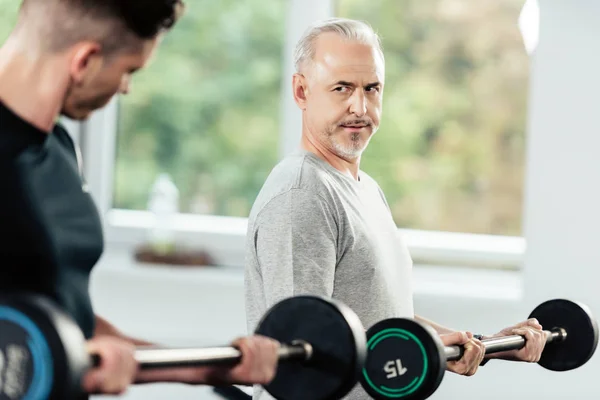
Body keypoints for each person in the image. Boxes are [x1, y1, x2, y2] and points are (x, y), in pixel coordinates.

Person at [244, 18, 548, 399]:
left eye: (371, 88)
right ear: (302, 92)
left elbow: (381, 320)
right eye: (342, 88)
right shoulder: (301, 195)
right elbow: (301, 357)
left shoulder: (364, 189)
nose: (360, 106)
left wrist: (483, 346)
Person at [0, 0, 280, 397]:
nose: (126, 88)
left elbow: (67, 322)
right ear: (85, 61)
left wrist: (209, 368)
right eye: (129, 70)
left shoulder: (58, 148)